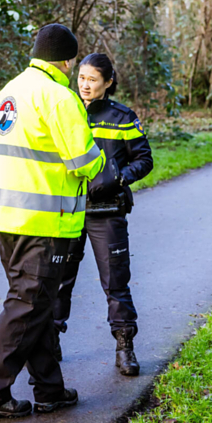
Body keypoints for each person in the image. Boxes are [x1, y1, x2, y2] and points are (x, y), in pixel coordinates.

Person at [0, 24, 106, 418]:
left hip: (8, 218)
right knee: (27, 306)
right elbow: (83, 161)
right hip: (46, 222)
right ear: (66, 61)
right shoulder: (60, 98)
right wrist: (101, 160)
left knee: (37, 305)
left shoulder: (8, 92)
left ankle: (50, 389)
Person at [53, 53, 153, 376]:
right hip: (67, 210)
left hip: (106, 211)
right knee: (58, 281)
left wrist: (119, 177)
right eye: (81, 77)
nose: (84, 85)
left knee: (116, 281)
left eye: (92, 79)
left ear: (108, 82)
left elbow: (144, 159)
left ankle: (125, 347)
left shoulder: (122, 117)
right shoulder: (66, 109)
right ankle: (49, 343)